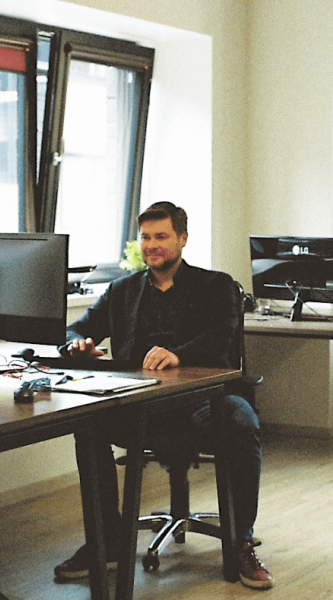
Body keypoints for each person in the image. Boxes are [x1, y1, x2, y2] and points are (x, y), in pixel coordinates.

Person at [53, 201, 273, 590]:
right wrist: (78, 344)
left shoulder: (216, 285)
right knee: (87, 424)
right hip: (140, 401)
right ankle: (108, 541)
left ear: (183, 239)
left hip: (204, 399)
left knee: (242, 424)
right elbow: (74, 329)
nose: (151, 245)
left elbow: (221, 336)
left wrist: (180, 354)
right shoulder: (122, 291)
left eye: (161, 236)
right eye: (145, 237)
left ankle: (240, 541)